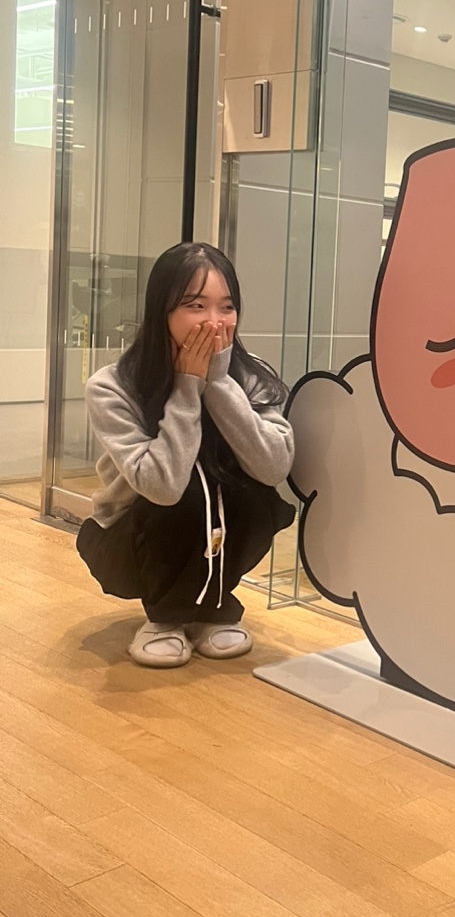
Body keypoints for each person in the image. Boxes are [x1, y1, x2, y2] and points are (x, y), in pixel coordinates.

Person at [77, 243, 295, 668]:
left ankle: (214, 609)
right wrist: (186, 386)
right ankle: (165, 617)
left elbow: (273, 467)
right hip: (134, 536)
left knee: (244, 489)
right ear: (162, 311)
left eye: (227, 307)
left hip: (223, 536)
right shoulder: (113, 385)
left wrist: (218, 381)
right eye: (196, 306)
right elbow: (162, 486)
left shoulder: (250, 373)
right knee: (188, 490)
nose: (214, 321)